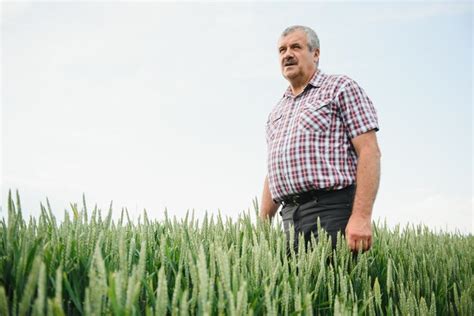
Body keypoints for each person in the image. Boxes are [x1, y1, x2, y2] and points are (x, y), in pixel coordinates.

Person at [259, 25, 381, 254]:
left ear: (316, 54)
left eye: (296, 47)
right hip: (289, 218)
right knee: (293, 289)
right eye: (282, 50)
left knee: (333, 288)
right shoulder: (277, 111)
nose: (287, 54)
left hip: (331, 212)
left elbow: (369, 151)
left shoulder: (340, 88)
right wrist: (262, 225)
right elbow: (273, 171)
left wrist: (362, 217)